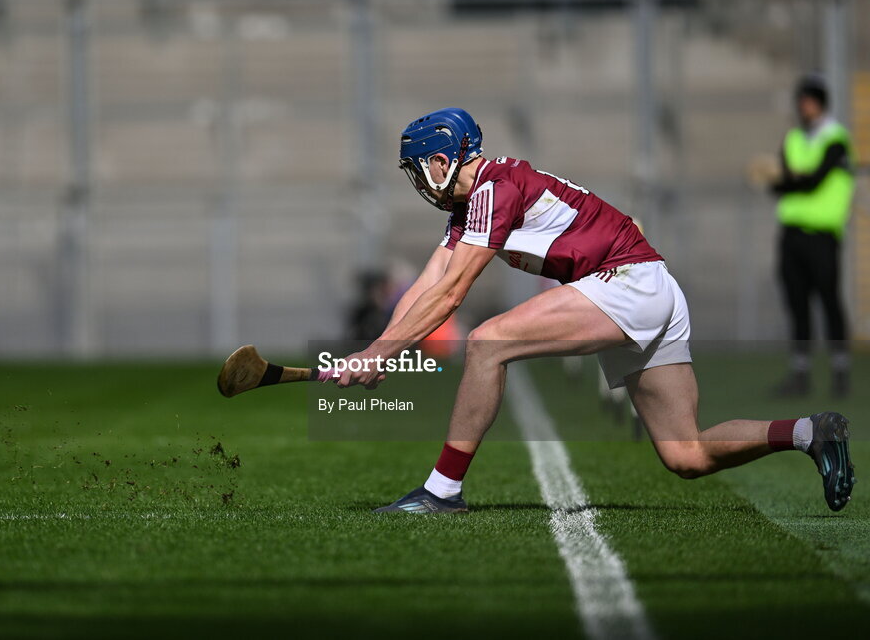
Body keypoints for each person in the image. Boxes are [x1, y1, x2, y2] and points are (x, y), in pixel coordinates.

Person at [334, 107, 855, 514]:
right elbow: (429, 282)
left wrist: (383, 352)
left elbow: (451, 295)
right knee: (686, 454)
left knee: (487, 344)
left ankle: (441, 491)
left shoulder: (495, 189)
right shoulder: (474, 206)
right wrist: (374, 350)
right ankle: (812, 432)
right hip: (648, 287)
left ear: (440, 162)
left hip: (627, 282)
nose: (419, 183)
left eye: (418, 170)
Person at [769, 74, 855, 398]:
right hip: (792, 235)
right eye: (801, 100)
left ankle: (840, 371)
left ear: (821, 103)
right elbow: (779, 183)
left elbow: (813, 181)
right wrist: (790, 180)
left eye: (809, 100)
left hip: (822, 235)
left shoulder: (835, 138)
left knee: (829, 301)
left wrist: (791, 179)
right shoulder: (793, 138)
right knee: (797, 304)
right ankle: (801, 374)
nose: (803, 106)